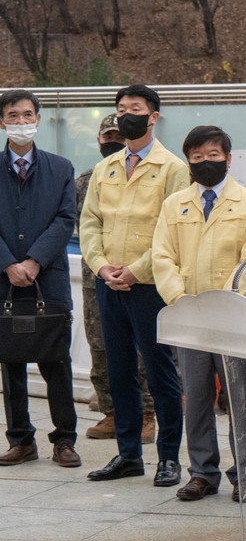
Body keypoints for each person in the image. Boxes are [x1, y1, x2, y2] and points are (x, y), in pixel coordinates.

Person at [152, 125, 246, 503]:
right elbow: (163, 257)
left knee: (241, 400)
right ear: (188, 161)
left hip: (234, 318)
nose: (206, 162)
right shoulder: (175, 204)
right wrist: (181, 300)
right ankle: (202, 473)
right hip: (191, 319)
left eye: (213, 155)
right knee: (197, 397)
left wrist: (226, 300)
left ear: (228, 159)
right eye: (197, 157)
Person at [80, 84, 187, 487]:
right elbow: (90, 222)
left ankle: (169, 458)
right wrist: (101, 266)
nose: (127, 115)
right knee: (119, 368)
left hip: (148, 286)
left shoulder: (173, 168)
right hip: (109, 283)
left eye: (135, 108)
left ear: (153, 116)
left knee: (159, 372)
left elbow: (170, 230)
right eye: (121, 108)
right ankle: (128, 454)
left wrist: (136, 271)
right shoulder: (106, 168)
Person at [0, 89, 80, 469]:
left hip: (47, 279)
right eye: (13, 116)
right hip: (4, 282)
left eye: (27, 114)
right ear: (2, 122)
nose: (21, 122)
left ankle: (64, 439)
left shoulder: (61, 168)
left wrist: (34, 260)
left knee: (56, 360)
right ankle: (21, 439)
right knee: (10, 362)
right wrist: (8, 263)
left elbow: (66, 219)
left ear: (39, 118)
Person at [78, 113, 155, 443]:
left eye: (118, 136)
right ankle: (111, 412)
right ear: (98, 142)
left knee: (142, 350)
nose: (112, 142)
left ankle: (148, 414)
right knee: (100, 346)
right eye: (107, 137)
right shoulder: (87, 180)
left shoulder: (150, 173)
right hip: (95, 274)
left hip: (137, 274)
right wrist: (100, 264)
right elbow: (84, 224)